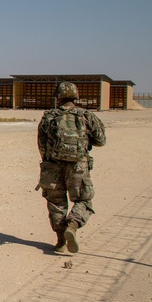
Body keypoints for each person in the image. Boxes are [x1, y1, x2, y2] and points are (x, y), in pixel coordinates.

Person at [37, 82, 107, 254]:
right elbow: (101, 140)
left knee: (56, 203)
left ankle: (61, 240)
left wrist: (49, 162)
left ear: (58, 97)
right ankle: (73, 225)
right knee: (84, 199)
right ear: (75, 96)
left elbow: (42, 144)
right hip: (78, 166)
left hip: (52, 166)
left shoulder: (49, 116)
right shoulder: (86, 116)